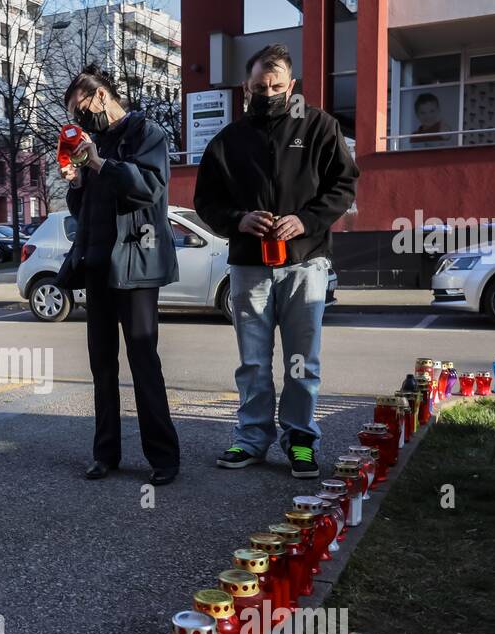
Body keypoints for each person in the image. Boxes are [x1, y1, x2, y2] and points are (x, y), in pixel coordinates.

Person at [193, 43, 358, 479]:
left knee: (303, 361)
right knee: (252, 361)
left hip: (306, 263)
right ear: (246, 86)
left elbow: (344, 186)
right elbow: (205, 202)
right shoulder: (229, 140)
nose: (267, 93)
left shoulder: (320, 126)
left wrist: (304, 221)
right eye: (259, 86)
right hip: (249, 265)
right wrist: (238, 219)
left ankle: (300, 439)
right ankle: (251, 439)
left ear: (292, 85)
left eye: (276, 85)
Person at [60, 66, 181, 486]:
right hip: (96, 263)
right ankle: (104, 453)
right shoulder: (92, 145)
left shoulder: (147, 133)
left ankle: (164, 458)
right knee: (101, 363)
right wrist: (76, 183)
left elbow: (148, 188)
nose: (79, 120)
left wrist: (98, 162)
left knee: (143, 359)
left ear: (100, 96)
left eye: (81, 109)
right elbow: (83, 212)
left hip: (137, 263)